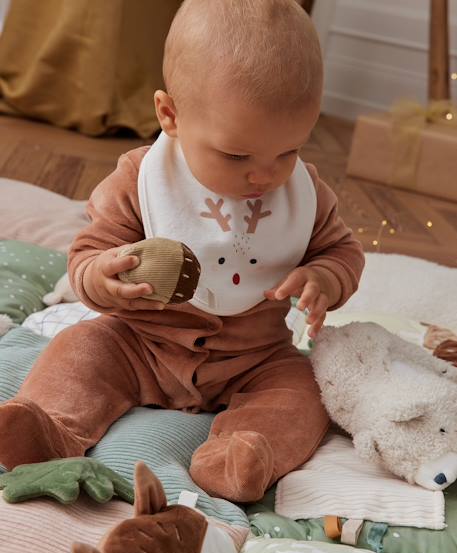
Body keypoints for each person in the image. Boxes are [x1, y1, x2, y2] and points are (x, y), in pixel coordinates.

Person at [0, 0, 364, 503]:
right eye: (237, 156)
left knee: (303, 391)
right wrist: (101, 277)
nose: (265, 175)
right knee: (81, 348)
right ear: (170, 115)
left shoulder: (306, 195)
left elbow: (341, 251)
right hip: (140, 345)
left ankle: (242, 452)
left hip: (254, 358)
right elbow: (89, 251)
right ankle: (49, 427)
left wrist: (326, 278)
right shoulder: (142, 179)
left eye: (290, 151)